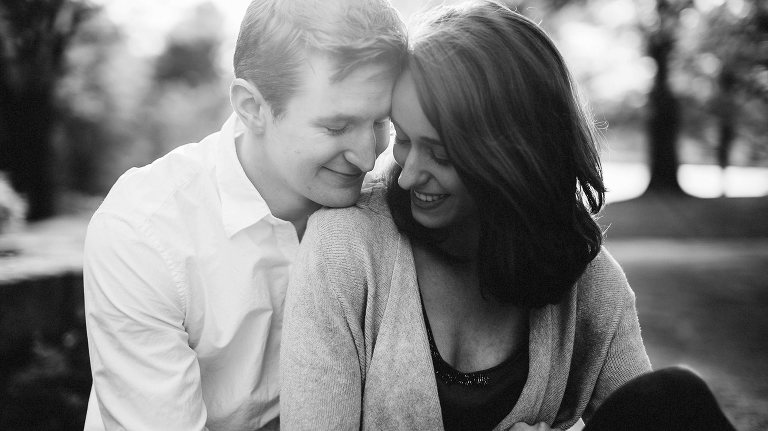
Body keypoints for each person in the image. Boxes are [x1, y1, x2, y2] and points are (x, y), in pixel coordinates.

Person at [281, 2, 734, 430]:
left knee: (675, 396)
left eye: (440, 153)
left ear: (513, 157)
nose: (407, 176)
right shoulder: (345, 249)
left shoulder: (587, 280)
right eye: (403, 139)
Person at [82, 0, 407, 429]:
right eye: (336, 127)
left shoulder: (392, 203)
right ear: (252, 108)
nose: (368, 156)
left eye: (381, 122)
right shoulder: (142, 234)